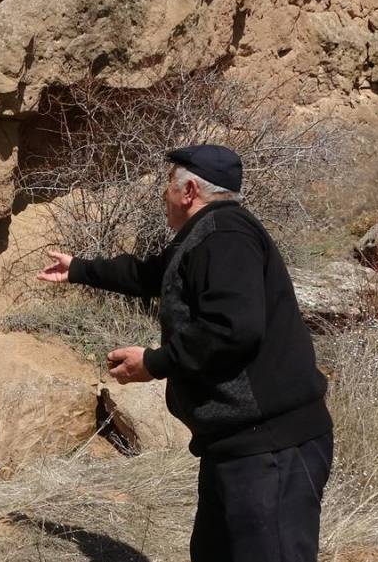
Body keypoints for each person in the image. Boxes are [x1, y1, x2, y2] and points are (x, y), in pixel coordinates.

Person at [37, 144, 334, 562]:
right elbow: (150, 274)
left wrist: (155, 362)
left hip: (271, 448)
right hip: (236, 445)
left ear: (189, 190)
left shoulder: (226, 237)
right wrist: (80, 269)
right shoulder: (204, 237)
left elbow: (234, 329)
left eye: (168, 184)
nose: (164, 195)